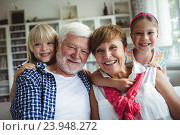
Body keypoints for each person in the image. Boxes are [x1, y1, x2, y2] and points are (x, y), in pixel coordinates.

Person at [89, 24, 180, 120]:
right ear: (95, 56)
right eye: (100, 50)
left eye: (113, 47)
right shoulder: (95, 89)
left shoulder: (152, 73)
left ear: (125, 49)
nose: (107, 55)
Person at [10, 22, 92, 120]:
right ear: (58, 44)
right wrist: (16, 76)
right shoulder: (30, 74)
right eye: (71, 47)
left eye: (84, 51)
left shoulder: (85, 76)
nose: (76, 56)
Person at [90, 12, 168, 92]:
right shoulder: (125, 55)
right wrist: (114, 83)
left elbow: (166, 84)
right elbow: (94, 76)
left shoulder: (161, 56)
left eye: (150, 33)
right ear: (131, 37)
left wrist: (158, 74)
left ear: (157, 36)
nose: (145, 38)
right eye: (139, 33)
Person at [10, 24, 58, 102]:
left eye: (49, 43)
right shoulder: (25, 68)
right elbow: (13, 101)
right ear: (31, 47)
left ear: (57, 45)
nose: (44, 48)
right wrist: (16, 76)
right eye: (38, 44)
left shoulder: (60, 66)